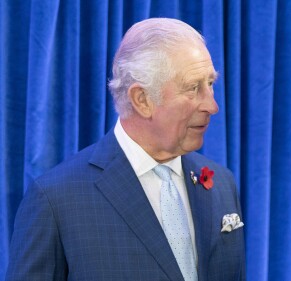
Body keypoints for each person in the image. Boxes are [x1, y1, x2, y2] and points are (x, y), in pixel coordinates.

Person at [6, 18, 245, 281]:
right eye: (193, 88)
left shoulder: (221, 183)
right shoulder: (56, 200)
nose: (212, 106)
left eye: (210, 84)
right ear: (142, 100)